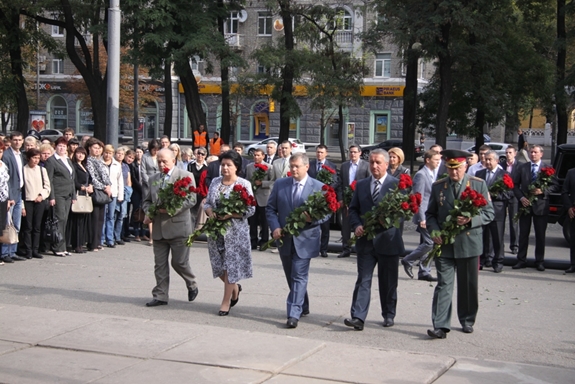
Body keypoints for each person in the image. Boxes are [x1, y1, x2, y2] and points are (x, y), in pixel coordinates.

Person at [426, 149, 494, 339]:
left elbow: (489, 213)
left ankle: (467, 319)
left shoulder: (478, 185)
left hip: (469, 242)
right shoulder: (439, 186)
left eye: (457, 169)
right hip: (445, 243)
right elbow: (430, 214)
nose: (454, 173)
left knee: (468, 285)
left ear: (465, 166)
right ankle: (440, 325)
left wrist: (471, 220)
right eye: (450, 169)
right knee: (443, 284)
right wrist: (434, 232)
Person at [266, 153, 331, 329]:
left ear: (306, 167)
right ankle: (303, 305)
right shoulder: (281, 184)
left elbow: (326, 213)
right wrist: (275, 227)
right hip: (285, 238)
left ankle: (293, 313)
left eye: (296, 166)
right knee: (291, 275)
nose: (293, 169)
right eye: (291, 166)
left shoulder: (318, 187)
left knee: (299, 274)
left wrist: (312, 219)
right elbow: (271, 209)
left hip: (306, 239)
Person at [344, 149, 404, 331]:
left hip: (388, 240)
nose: (374, 166)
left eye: (378, 162)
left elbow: (403, 212)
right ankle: (358, 317)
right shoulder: (361, 185)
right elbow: (353, 209)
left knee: (388, 281)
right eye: (371, 162)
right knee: (363, 279)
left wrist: (386, 220)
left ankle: (388, 313)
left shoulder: (397, 185)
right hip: (366, 242)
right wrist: (356, 225)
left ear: (387, 164)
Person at [142, 149, 199, 307]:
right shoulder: (154, 178)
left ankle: (191, 283)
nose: (161, 164)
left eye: (164, 161)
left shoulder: (185, 176)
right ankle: (160, 295)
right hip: (159, 228)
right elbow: (146, 201)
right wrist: (149, 211)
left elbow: (191, 199)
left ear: (173, 160)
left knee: (179, 262)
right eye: (159, 161)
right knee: (159, 264)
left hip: (179, 228)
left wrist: (172, 209)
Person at [204, 150, 255, 315]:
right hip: (216, 232)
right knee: (219, 268)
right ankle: (234, 288)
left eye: (229, 165)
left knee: (231, 267)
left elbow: (251, 209)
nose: (225, 168)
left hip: (235, 233)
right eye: (223, 165)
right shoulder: (215, 182)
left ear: (237, 167)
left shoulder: (244, 184)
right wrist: (210, 212)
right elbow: (207, 203)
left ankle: (225, 302)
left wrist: (230, 214)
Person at [512, 145, 558, 271]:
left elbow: (555, 186)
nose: (533, 154)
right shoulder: (523, 167)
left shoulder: (547, 168)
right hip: (525, 205)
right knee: (523, 234)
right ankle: (521, 260)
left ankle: (539, 261)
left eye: (535, 152)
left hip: (541, 207)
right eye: (531, 152)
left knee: (540, 235)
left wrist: (543, 191)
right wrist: (521, 198)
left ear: (541, 154)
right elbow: (515, 185)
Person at [401, 150, 441, 281]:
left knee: (429, 243)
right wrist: (422, 217)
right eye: (436, 160)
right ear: (428, 160)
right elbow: (419, 198)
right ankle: (408, 259)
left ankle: (424, 271)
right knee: (430, 242)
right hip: (425, 215)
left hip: (431, 215)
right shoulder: (421, 175)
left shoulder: (433, 174)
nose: (438, 162)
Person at [476, 150, 511, 273]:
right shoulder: (479, 173)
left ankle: (498, 261)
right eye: (486, 159)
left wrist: (494, 195)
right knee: (481, 236)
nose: (487, 161)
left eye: (490, 159)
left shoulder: (504, 174)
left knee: (497, 237)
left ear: (497, 161)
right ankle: (481, 260)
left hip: (497, 210)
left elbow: (509, 193)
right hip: (482, 210)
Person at [337, 144, 370, 258]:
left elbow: (369, 182)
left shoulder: (366, 166)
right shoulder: (344, 166)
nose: (352, 154)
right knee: (346, 225)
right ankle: (346, 248)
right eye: (351, 152)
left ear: (360, 153)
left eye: (355, 152)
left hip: (361, 200)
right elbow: (340, 183)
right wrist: (341, 198)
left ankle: (361, 248)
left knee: (360, 224)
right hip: (347, 200)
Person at [45, 137, 76, 257]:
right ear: (55, 147)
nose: (62, 148)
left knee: (65, 220)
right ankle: (57, 246)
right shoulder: (52, 160)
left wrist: (73, 194)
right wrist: (51, 197)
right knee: (59, 219)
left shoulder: (67, 159)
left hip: (68, 194)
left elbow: (71, 178)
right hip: (58, 194)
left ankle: (62, 246)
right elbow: (49, 180)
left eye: (64, 146)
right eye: (60, 146)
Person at [308, 144, 339, 257]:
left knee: (325, 226)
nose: (319, 154)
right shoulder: (310, 165)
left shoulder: (332, 166)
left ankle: (324, 249)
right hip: (312, 199)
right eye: (318, 152)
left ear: (326, 153)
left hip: (325, 199)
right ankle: (312, 248)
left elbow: (335, 181)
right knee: (312, 224)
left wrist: (327, 189)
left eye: (321, 152)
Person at [21, 148, 50, 259]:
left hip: (39, 201)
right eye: (34, 158)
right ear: (29, 158)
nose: (36, 160)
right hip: (28, 200)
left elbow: (47, 186)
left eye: (38, 158)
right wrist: (23, 205)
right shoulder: (23, 170)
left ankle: (35, 249)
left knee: (37, 227)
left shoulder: (42, 170)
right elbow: (21, 190)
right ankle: (28, 250)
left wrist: (41, 195)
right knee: (28, 227)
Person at [1, 132, 25, 262]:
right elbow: (7, 179)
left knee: (16, 224)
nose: (17, 142)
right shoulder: (6, 155)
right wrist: (9, 197)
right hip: (10, 195)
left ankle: (13, 251)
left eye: (20, 140)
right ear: (10, 141)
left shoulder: (20, 155)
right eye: (15, 140)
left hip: (19, 192)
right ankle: (5, 252)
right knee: (8, 224)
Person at [85, 138, 112, 252]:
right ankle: (92, 243)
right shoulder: (89, 160)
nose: (97, 150)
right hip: (97, 190)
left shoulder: (100, 160)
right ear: (89, 148)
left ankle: (98, 242)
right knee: (94, 218)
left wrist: (109, 185)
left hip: (105, 190)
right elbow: (92, 177)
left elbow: (106, 176)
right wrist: (104, 187)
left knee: (101, 218)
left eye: (99, 148)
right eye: (95, 148)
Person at [245, 148, 272, 251]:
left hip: (264, 198)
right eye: (255, 155)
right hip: (253, 198)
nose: (256, 157)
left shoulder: (269, 167)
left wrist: (262, 183)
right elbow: (247, 180)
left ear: (263, 156)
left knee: (264, 222)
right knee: (253, 221)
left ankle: (264, 241)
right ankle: (253, 241)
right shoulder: (249, 167)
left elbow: (272, 182)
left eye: (258, 155)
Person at [69, 147, 93, 253]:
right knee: (77, 221)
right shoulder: (73, 166)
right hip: (78, 194)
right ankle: (76, 244)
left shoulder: (84, 166)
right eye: (78, 153)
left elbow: (90, 178)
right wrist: (82, 187)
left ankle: (81, 243)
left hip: (86, 194)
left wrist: (91, 186)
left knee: (83, 221)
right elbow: (73, 181)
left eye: (83, 154)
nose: (80, 155)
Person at [499, 145, 521, 254]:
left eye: (510, 152)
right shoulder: (501, 165)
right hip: (503, 196)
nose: (508, 155)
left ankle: (514, 245)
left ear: (515, 154)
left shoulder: (520, 166)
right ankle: (500, 245)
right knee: (500, 221)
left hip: (514, 197)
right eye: (507, 152)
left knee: (514, 222)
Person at [101, 145, 124, 248]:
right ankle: (101, 239)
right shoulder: (99, 163)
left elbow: (120, 180)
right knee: (102, 217)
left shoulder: (116, 164)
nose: (107, 155)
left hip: (113, 194)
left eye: (110, 153)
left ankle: (110, 239)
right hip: (102, 193)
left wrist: (120, 195)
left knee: (111, 217)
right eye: (106, 152)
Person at [141, 139, 160, 245]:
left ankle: (157, 235)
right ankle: (151, 236)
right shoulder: (145, 156)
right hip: (148, 186)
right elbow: (143, 171)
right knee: (150, 210)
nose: (155, 152)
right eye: (154, 149)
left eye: (157, 149)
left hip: (159, 185)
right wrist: (150, 183)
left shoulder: (160, 156)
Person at [113, 147, 132, 244]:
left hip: (125, 192)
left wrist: (128, 191)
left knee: (122, 216)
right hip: (115, 192)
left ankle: (118, 236)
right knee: (114, 215)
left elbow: (128, 180)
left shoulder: (125, 166)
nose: (120, 155)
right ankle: (111, 236)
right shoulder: (113, 165)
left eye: (122, 154)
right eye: (118, 153)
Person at [129, 147, 145, 242]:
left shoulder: (144, 164)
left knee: (144, 211)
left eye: (140, 152)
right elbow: (133, 178)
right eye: (137, 152)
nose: (138, 154)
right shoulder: (133, 165)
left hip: (145, 190)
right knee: (136, 211)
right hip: (136, 191)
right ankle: (136, 233)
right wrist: (140, 188)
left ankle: (143, 233)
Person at [562, 168, 575, 273]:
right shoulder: (571, 172)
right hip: (573, 210)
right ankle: (573, 264)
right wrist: (569, 207)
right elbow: (565, 191)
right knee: (573, 239)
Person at [0, 142, 9, 264]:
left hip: (3, 199)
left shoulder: (3, 165)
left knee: (1, 227)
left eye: (1, 151)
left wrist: (8, 199)